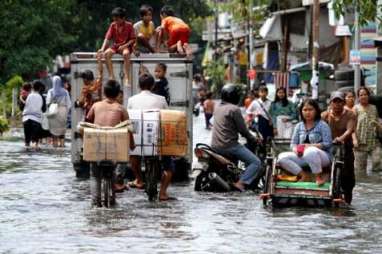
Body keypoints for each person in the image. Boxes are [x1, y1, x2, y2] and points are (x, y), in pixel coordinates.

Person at [127, 73, 175, 201]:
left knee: (132, 156)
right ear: (153, 86)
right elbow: (168, 118)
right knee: (169, 165)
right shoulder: (161, 99)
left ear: (138, 86)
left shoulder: (132, 100)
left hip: (138, 142)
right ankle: (163, 193)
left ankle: (139, 179)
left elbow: (130, 121)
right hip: (157, 140)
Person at [86, 80, 135, 193]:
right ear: (118, 94)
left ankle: (95, 202)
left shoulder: (95, 105)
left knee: (94, 175)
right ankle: (118, 179)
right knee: (124, 157)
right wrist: (132, 145)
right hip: (115, 148)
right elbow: (129, 128)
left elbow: (88, 121)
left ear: (104, 93)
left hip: (97, 147)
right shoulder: (121, 108)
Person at [211, 84, 262, 191]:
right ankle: (241, 183)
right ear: (234, 96)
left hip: (214, 146)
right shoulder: (234, 109)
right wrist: (253, 139)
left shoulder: (217, 107)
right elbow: (243, 130)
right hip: (229, 145)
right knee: (256, 162)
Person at [277, 99, 332, 185]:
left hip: (322, 157)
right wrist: (296, 150)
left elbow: (328, 143)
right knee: (281, 157)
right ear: (301, 111)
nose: (307, 112)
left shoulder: (323, 125)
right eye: (305, 110)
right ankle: (303, 175)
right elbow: (293, 144)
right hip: (302, 155)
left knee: (310, 151)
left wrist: (310, 146)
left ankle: (318, 177)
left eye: (310, 109)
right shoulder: (299, 126)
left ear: (316, 111)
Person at [322, 91, 356, 204]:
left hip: (345, 148)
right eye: (334, 102)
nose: (337, 104)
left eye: (340, 102)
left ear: (344, 102)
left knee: (348, 178)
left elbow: (349, 130)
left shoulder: (350, 114)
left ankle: (348, 201)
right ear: (331, 103)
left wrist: (340, 139)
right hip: (329, 148)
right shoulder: (325, 115)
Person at [98, 7, 135, 85]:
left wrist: (125, 45)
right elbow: (107, 38)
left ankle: (127, 77)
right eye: (114, 19)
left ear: (123, 18)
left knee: (126, 54)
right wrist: (102, 48)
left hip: (126, 46)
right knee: (106, 53)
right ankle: (111, 76)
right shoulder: (113, 25)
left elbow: (132, 40)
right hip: (115, 46)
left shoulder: (129, 25)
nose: (116, 21)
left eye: (117, 19)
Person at [353, 87, 380, 174]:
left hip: (373, 141)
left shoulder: (374, 108)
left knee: (378, 163)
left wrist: (378, 126)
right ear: (358, 97)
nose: (363, 96)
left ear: (368, 96)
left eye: (365, 94)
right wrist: (354, 139)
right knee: (360, 171)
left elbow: (378, 122)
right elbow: (351, 126)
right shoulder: (355, 108)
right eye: (361, 95)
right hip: (360, 143)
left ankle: (376, 184)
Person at [46, 75, 71, 147]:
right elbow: (69, 104)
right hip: (63, 111)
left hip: (53, 112)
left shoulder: (50, 91)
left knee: (54, 131)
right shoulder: (65, 91)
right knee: (62, 130)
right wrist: (66, 112)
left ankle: (55, 146)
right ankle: (62, 146)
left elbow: (48, 102)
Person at [22, 81, 43, 149]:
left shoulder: (30, 95)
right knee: (34, 142)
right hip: (36, 120)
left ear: (33, 88)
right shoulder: (40, 97)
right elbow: (41, 108)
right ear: (39, 88)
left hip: (26, 119)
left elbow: (26, 105)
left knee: (27, 141)